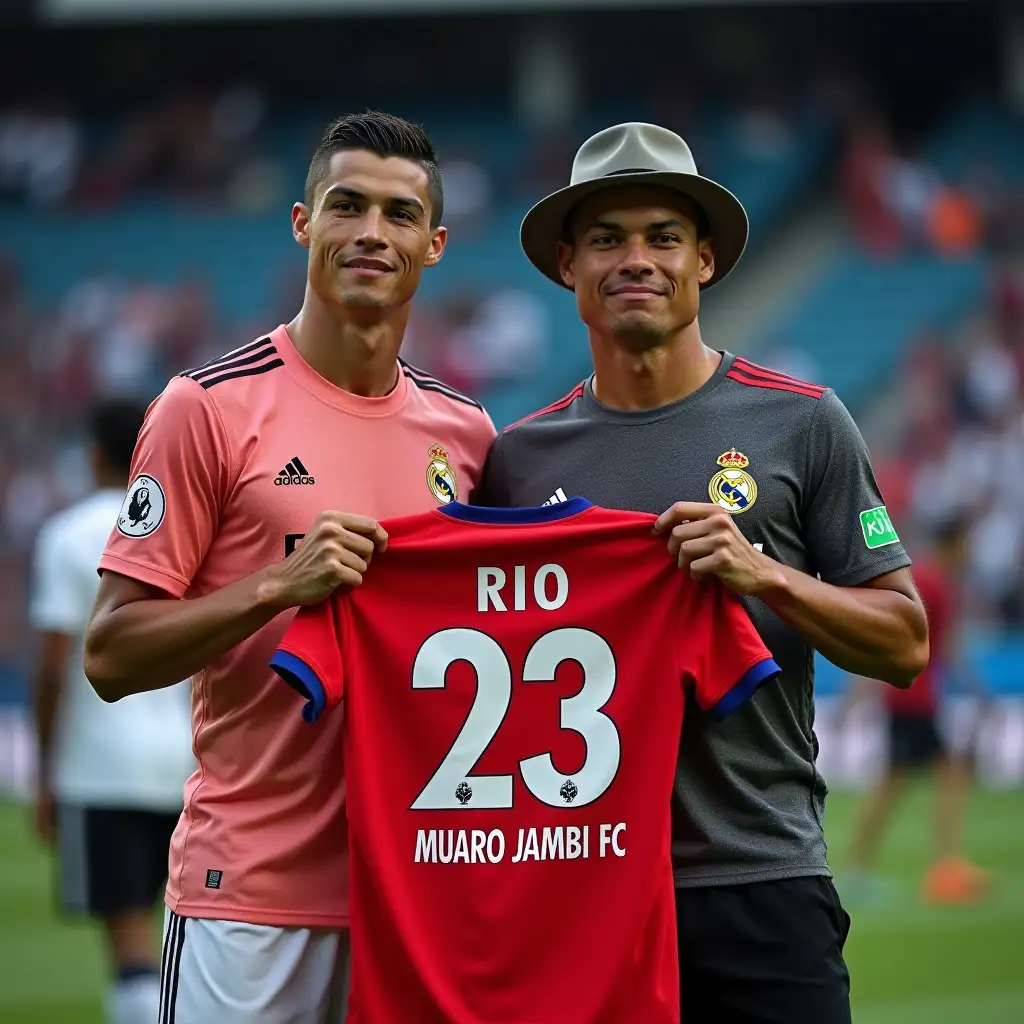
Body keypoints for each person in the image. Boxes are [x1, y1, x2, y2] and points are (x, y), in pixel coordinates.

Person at [473, 121, 930, 1023]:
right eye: (606, 238)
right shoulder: (516, 464)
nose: (634, 258)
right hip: (580, 883)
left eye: (662, 237)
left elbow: (905, 642)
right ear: (567, 265)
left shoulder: (803, 423)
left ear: (706, 262)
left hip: (762, 876)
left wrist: (766, 576)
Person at [83, 110, 496, 1024]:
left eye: (397, 215)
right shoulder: (206, 408)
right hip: (251, 893)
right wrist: (277, 584)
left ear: (433, 246)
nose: (370, 234)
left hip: (415, 891)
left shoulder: (468, 436)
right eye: (347, 206)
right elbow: (110, 655)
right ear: (305, 222)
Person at [28, 398, 195, 1024]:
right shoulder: (185, 525)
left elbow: (52, 666)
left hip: (101, 768)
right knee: (188, 941)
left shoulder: (68, 534)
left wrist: (45, 770)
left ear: (94, 454)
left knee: (130, 949)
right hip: (184, 761)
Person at [844, 515, 990, 904]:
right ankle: (929, 869)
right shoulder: (933, 583)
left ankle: (941, 865)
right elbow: (904, 639)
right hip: (912, 700)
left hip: (912, 698)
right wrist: (980, 690)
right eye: (967, 543)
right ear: (956, 541)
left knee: (943, 774)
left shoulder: (929, 578)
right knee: (898, 784)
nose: (970, 552)